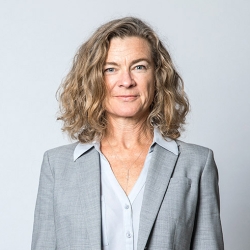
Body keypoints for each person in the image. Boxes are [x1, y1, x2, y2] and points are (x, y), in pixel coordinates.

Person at [31, 17, 224, 250]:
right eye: (110, 69)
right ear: (94, 80)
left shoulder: (196, 164)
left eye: (139, 67)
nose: (126, 81)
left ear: (158, 76)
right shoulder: (57, 166)